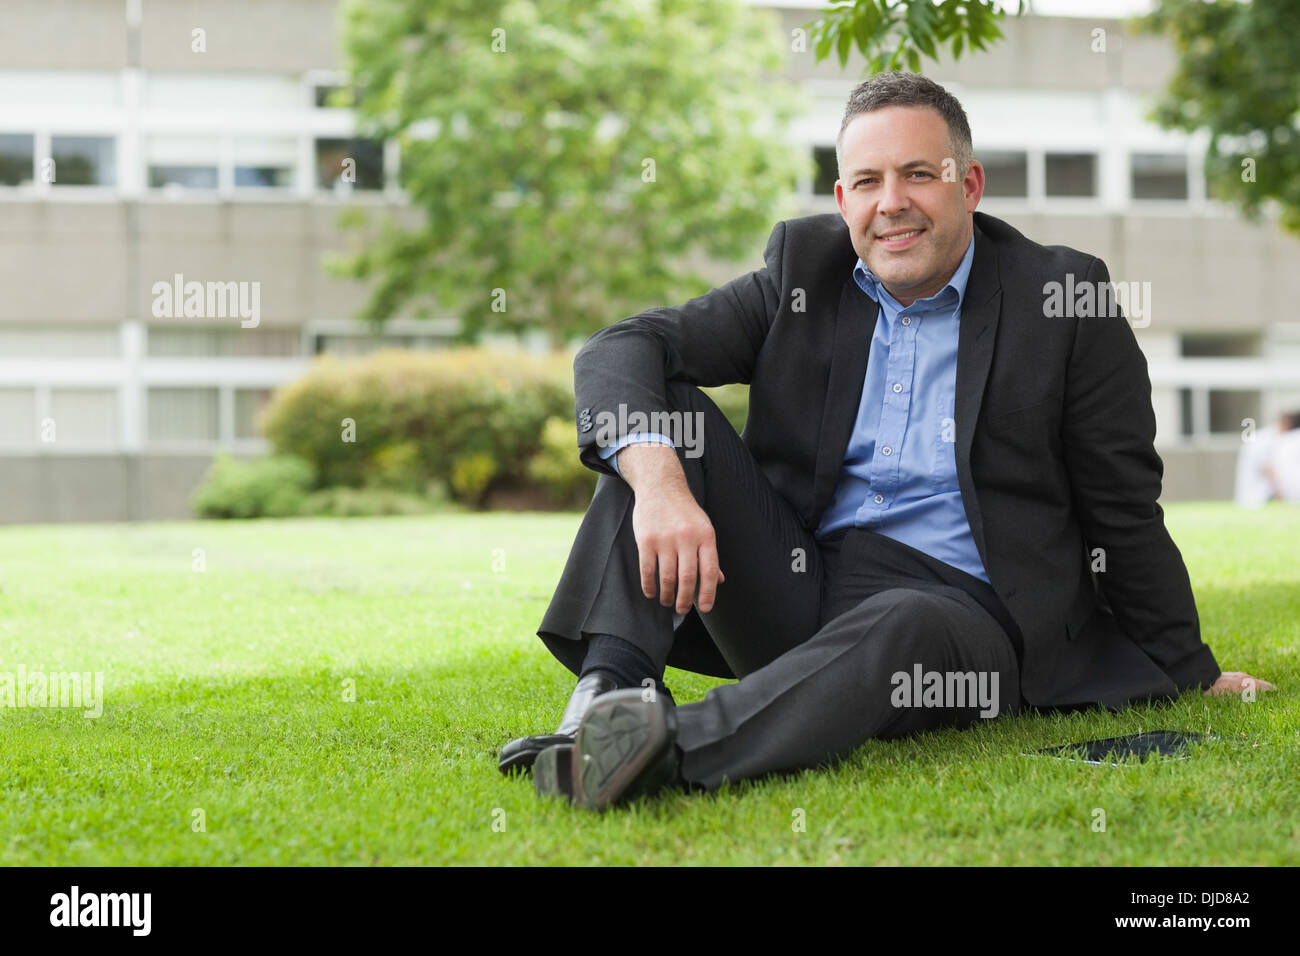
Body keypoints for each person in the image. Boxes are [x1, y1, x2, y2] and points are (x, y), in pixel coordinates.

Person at [499, 72, 1274, 810]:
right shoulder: (803, 273)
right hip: (803, 587)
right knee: (664, 422)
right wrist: (662, 485)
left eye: (918, 175)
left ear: (968, 185)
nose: (891, 204)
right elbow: (620, 347)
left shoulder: (1062, 299)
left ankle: (659, 752)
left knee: (903, 616)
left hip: (961, 623)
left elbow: (1124, 505)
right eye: (867, 182)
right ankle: (606, 696)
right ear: (842, 199)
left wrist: (1187, 668)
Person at [1234, 410, 1297, 507]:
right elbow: (1268, 470)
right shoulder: (1266, 440)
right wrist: (1281, 496)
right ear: (1286, 422)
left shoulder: (1262, 436)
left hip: (1253, 496)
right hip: (1258, 499)